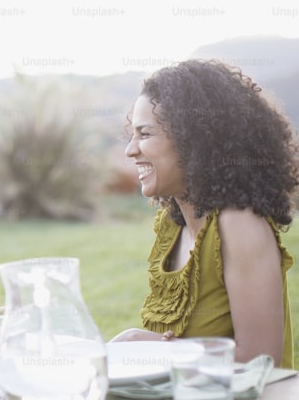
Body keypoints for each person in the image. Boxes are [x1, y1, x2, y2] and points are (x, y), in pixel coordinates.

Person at [113, 59, 299, 367]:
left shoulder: (238, 225)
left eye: (144, 134)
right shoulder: (171, 225)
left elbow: (260, 361)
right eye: (132, 135)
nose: (130, 150)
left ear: (194, 141)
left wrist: (149, 347)